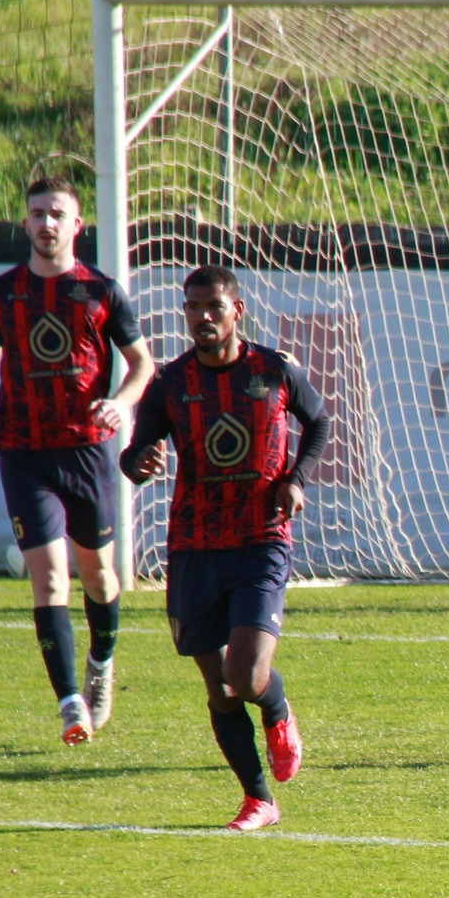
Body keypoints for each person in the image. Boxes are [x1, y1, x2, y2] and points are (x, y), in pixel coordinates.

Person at [120, 266, 331, 832]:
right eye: (193, 307)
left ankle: (278, 710)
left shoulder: (274, 369)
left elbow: (319, 423)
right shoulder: (169, 382)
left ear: (237, 310)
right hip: (193, 545)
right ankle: (258, 799)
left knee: (245, 675)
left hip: (261, 539)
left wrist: (297, 479)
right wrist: (137, 462)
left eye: (214, 305)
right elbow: (135, 451)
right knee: (218, 685)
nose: (202, 316)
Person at [0, 177, 155, 747]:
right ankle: (70, 703)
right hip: (22, 451)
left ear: (77, 225)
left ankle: (101, 663)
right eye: (37, 213)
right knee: (48, 578)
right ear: (25, 223)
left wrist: (119, 403)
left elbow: (141, 364)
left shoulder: (101, 292)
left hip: (86, 449)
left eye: (58, 214)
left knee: (99, 573)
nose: (47, 223)